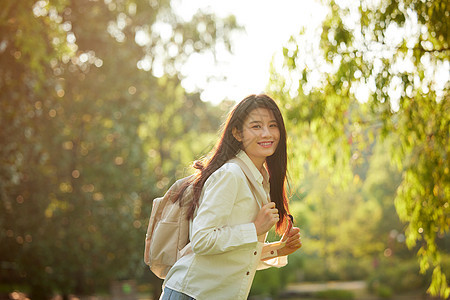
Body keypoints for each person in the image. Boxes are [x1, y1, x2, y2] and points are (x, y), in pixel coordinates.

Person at [160, 94, 302, 300]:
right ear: (237, 132)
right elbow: (201, 240)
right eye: (256, 126)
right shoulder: (231, 174)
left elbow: (232, 255)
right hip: (191, 294)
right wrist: (254, 229)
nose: (267, 133)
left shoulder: (260, 180)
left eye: (273, 125)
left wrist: (278, 250)